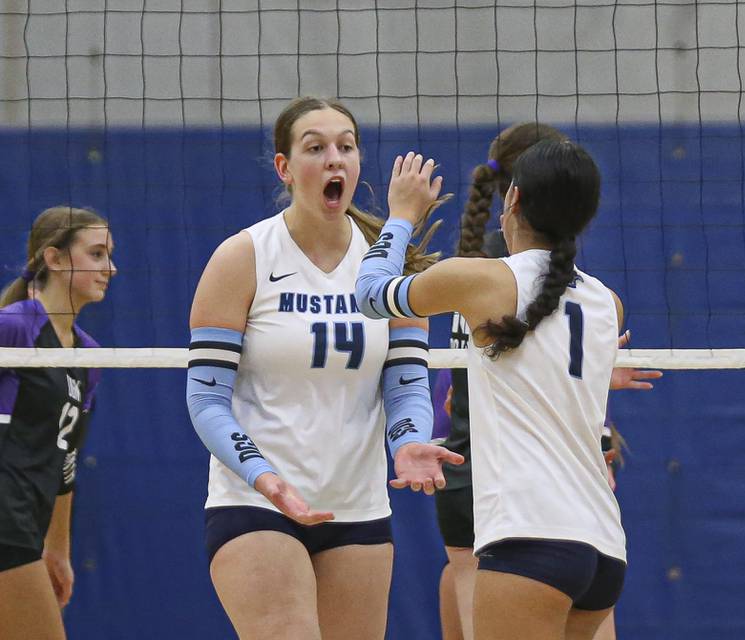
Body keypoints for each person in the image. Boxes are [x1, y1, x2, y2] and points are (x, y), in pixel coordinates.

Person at [186, 96, 463, 640]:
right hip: (257, 503)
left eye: (347, 146)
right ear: (286, 168)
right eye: (316, 148)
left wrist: (407, 443)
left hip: (356, 508)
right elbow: (206, 401)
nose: (335, 158)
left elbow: (406, 384)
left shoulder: (388, 266)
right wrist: (265, 478)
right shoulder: (243, 257)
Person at [356, 141, 635, 639]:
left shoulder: (483, 280)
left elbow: (372, 295)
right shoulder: (606, 303)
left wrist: (401, 216)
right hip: (604, 550)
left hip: (531, 540)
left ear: (513, 200)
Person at [436, 123, 661, 640]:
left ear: (511, 194)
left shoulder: (484, 272)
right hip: (528, 500)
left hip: (512, 502)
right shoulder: (566, 287)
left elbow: (453, 382)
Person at [0, 206, 116, 640]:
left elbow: (67, 462)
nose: (111, 267)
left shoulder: (87, 357)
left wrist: (58, 550)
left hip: (28, 523)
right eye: (97, 254)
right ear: (54, 258)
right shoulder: (16, 326)